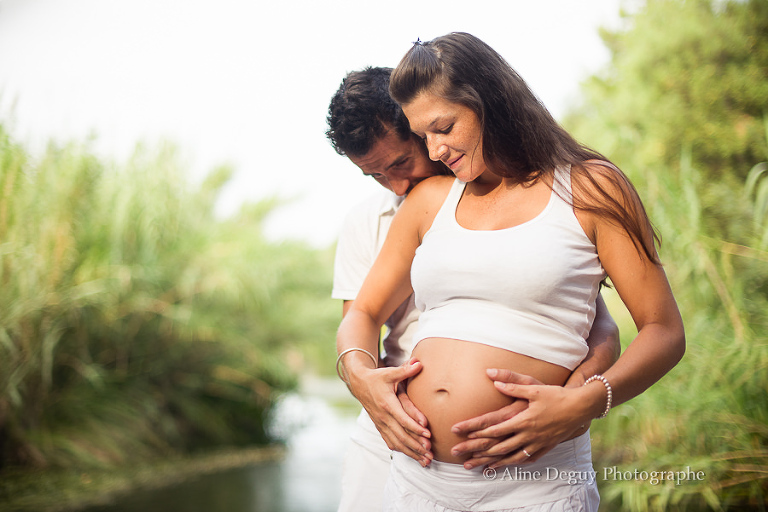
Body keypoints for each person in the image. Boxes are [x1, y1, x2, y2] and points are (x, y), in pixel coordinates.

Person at [336, 33, 685, 511]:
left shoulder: (592, 189)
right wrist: (357, 373)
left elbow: (662, 330)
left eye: (443, 127)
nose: (435, 151)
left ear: (488, 100)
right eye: (424, 137)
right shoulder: (427, 202)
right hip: (418, 482)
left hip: (533, 484)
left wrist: (587, 401)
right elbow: (362, 312)